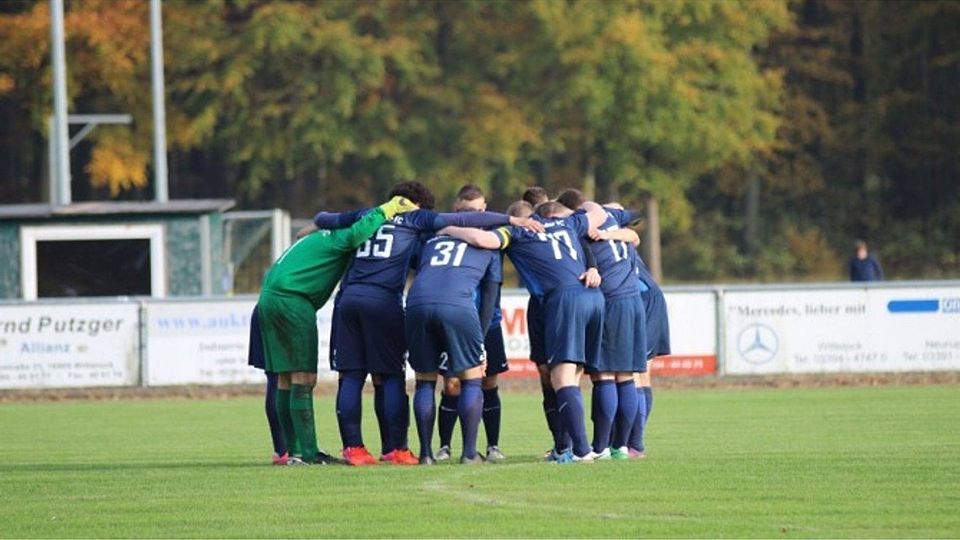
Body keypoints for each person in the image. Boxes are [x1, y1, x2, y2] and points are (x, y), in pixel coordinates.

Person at [307, 182, 541, 466]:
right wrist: (511, 219)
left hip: (349, 298)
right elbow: (466, 220)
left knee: (352, 377)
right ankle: (397, 449)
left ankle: (354, 449)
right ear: (419, 206)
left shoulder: (368, 214)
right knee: (392, 376)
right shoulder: (415, 219)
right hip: (384, 300)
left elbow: (323, 219)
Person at [440, 199, 608, 463]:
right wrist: (581, 203)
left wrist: (450, 230)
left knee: (561, 378)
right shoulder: (569, 222)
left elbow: (482, 240)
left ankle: (581, 451)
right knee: (574, 376)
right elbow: (598, 213)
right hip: (594, 295)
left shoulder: (518, 231)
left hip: (564, 299)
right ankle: (570, 448)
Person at [256, 195, 418, 466]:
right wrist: (387, 209)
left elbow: (307, 229)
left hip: (268, 298)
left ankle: (290, 452)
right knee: (303, 379)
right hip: (293, 301)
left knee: (283, 379)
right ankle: (308, 454)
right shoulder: (341, 238)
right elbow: (356, 234)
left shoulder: (317, 236)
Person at [556, 189, 648, 460]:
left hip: (612, 304)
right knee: (626, 376)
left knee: (605, 376)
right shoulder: (614, 225)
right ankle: (621, 446)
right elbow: (635, 235)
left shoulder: (584, 233)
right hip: (633, 302)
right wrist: (609, 233)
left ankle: (602, 447)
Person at [405, 228, 503, 464]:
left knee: (424, 382)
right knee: (471, 379)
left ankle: (426, 454)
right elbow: (489, 299)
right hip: (457, 305)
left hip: (416, 304)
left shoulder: (432, 241)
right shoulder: (489, 245)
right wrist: (479, 339)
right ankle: (469, 453)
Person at [436, 185, 511, 463]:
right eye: (470, 212)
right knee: (452, 384)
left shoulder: (492, 239)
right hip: (454, 321)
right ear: (457, 210)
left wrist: (480, 333)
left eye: (481, 211)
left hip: (487, 322)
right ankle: (445, 446)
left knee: (488, 382)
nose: (477, 216)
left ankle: (492, 446)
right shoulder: (441, 235)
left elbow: (492, 289)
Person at [247, 304, 291, 465]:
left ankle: (283, 449)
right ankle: (287, 449)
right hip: (284, 309)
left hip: (266, 305)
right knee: (284, 378)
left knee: (276, 377)